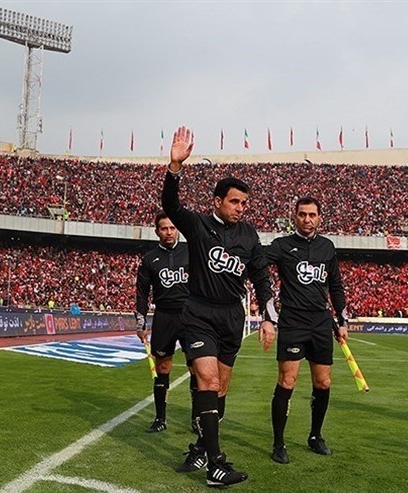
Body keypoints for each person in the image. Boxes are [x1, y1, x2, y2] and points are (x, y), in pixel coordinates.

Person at [162, 125, 277, 487]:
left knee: (219, 389)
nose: (240, 208)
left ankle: (199, 447)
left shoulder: (249, 235)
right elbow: (170, 206)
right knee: (207, 379)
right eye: (234, 202)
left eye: (244, 203)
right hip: (198, 312)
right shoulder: (196, 225)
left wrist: (269, 317)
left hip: (232, 316)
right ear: (217, 201)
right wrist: (175, 168)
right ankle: (216, 464)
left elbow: (260, 275)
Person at [264, 196, 349, 464]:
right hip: (292, 321)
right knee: (287, 382)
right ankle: (279, 443)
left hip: (321, 323)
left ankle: (315, 436)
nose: (307, 219)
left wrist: (342, 320)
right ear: (294, 216)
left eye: (312, 215)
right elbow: (258, 264)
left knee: (323, 382)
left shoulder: (327, 247)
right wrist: (267, 312)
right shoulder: (282, 246)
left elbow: (335, 285)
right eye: (302, 214)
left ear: (319, 217)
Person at [135, 211, 195, 433]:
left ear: (177, 229)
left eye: (172, 228)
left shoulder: (191, 251)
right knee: (163, 368)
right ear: (157, 231)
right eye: (164, 228)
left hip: (190, 316)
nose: (168, 232)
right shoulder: (150, 259)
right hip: (164, 317)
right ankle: (160, 418)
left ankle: (197, 418)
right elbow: (142, 293)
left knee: (196, 368)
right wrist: (140, 321)